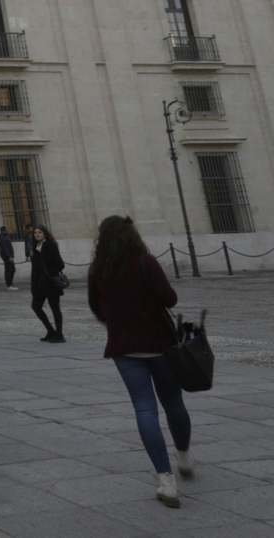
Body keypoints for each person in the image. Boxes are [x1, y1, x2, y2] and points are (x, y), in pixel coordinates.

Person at [88, 215, 193, 509]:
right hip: (161, 345)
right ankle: (183, 455)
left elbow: (95, 306)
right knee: (173, 403)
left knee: (144, 409)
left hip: (124, 348)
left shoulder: (97, 269)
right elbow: (169, 300)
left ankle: (166, 482)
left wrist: (117, 318)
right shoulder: (146, 262)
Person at [28, 224, 67, 343]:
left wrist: (48, 275)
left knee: (55, 308)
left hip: (50, 283)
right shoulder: (36, 247)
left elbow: (60, 264)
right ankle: (50, 330)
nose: (37, 235)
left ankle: (59, 334)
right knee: (36, 306)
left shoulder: (50, 245)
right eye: (35, 233)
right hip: (39, 284)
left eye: (39, 232)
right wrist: (33, 285)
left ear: (45, 233)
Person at [0, 225, 18, 291]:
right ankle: (9, 285)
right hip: (7, 256)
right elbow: (5, 247)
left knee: (12, 269)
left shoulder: (5, 236)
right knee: (9, 269)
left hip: (9, 256)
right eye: (7, 229)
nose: (8, 230)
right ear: (3, 230)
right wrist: (9, 256)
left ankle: (10, 284)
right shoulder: (2, 237)